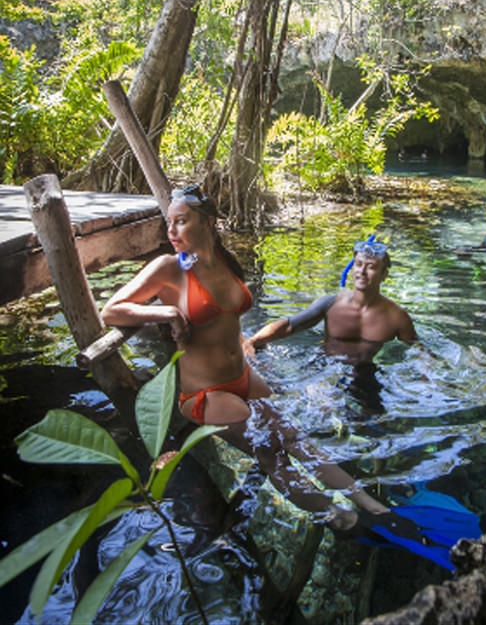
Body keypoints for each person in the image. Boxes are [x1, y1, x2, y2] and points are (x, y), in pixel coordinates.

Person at [100, 185, 422, 541]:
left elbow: (228, 324)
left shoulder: (226, 261)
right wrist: (164, 312)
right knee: (272, 453)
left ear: (208, 223)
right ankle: (341, 519)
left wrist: (249, 343)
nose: (171, 232)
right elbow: (111, 310)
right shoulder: (168, 268)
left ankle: (373, 506)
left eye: (180, 222)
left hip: (243, 377)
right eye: (169, 223)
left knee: (298, 440)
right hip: (205, 393)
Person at [243, 238, 417, 364]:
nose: (362, 271)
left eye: (371, 267)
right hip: (322, 365)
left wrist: (429, 370)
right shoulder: (331, 304)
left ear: (384, 275)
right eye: (358, 264)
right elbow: (290, 325)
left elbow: (416, 349)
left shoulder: (397, 318)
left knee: (370, 414)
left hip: (364, 372)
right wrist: (253, 341)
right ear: (351, 269)